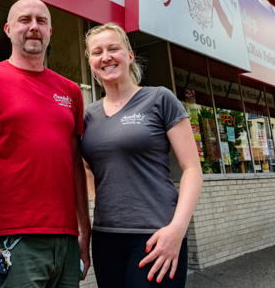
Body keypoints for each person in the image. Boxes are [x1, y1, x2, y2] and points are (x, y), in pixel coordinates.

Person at [0, 0, 91, 287]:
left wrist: (83, 231)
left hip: (65, 239)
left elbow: (74, 165)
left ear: (50, 31)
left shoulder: (70, 91)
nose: (33, 27)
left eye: (41, 21)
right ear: (7, 29)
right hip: (9, 237)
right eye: (24, 20)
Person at [81, 22, 203, 287]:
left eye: (114, 48)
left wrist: (177, 229)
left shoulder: (159, 98)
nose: (106, 57)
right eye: (97, 52)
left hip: (156, 235)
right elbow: (87, 169)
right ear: (90, 62)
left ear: (130, 55)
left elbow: (192, 169)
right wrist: (103, 202)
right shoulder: (88, 115)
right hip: (105, 238)